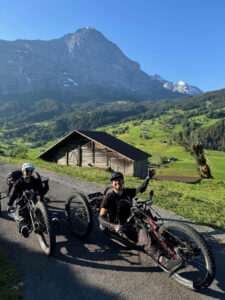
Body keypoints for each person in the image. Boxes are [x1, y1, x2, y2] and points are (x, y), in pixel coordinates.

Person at [99, 169, 183, 273]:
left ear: (123, 181)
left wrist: (148, 178)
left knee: (155, 227)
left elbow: (140, 189)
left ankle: (179, 243)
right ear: (112, 183)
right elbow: (101, 217)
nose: (118, 182)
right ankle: (164, 261)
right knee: (145, 237)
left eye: (120, 179)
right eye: (115, 180)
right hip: (122, 227)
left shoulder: (127, 192)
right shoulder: (109, 197)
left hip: (134, 220)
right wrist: (114, 226)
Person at [7, 162, 49, 237]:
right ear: (23, 171)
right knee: (22, 214)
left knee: (41, 211)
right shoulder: (18, 183)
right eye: (27, 171)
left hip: (34, 201)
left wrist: (46, 186)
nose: (29, 172)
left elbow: (41, 192)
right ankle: (24, 227)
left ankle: (50, 221)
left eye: (31, 171)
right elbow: (12, 195)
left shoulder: (35, 181)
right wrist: (9, 204)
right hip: (22, 202)